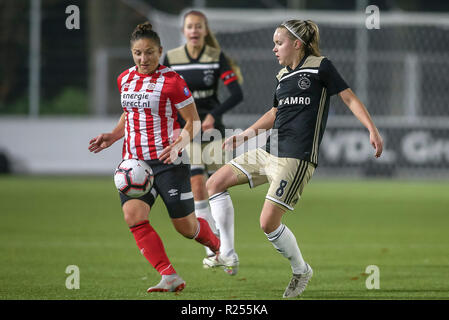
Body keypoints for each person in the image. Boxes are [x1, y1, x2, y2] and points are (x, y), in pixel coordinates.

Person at [206, 19, 383, 298]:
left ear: (297, 44)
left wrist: (371, 129)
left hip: (296, 158)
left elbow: (348, 98)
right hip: (268, 150)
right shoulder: (282, 76)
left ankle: (301, 270)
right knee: (215, 182)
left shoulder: (321, 66)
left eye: (279, 43)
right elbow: (275, 112)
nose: (274, 48)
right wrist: (246, 134)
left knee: (267, 223)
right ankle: (226, 252)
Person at [88, 22, 220, 293]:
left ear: (159, 51)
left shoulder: (172, 81)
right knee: (133, 217)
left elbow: (193, 122)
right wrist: (114, 135)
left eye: (149, 53)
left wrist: (179, 145)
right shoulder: (124, 78)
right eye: (137, 53)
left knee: (185, 227)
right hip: (134, 165)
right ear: (132, 53)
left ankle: (217, 244)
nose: (143, 58)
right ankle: (168, 275)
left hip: (169, 162)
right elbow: (130, 113)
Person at [163, 10, 243, 275]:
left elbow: (236, 94)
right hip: (188, 130)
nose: (194, 30)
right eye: (190, 26)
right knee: (197, 183)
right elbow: (164, 95)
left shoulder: (215, 58)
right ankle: (214, 248)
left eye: (199, 26)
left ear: (205, 30)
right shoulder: (171, 59)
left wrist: (212, 115)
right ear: (184, 31)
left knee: (217, 187)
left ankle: (228, 249)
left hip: (212, 131)